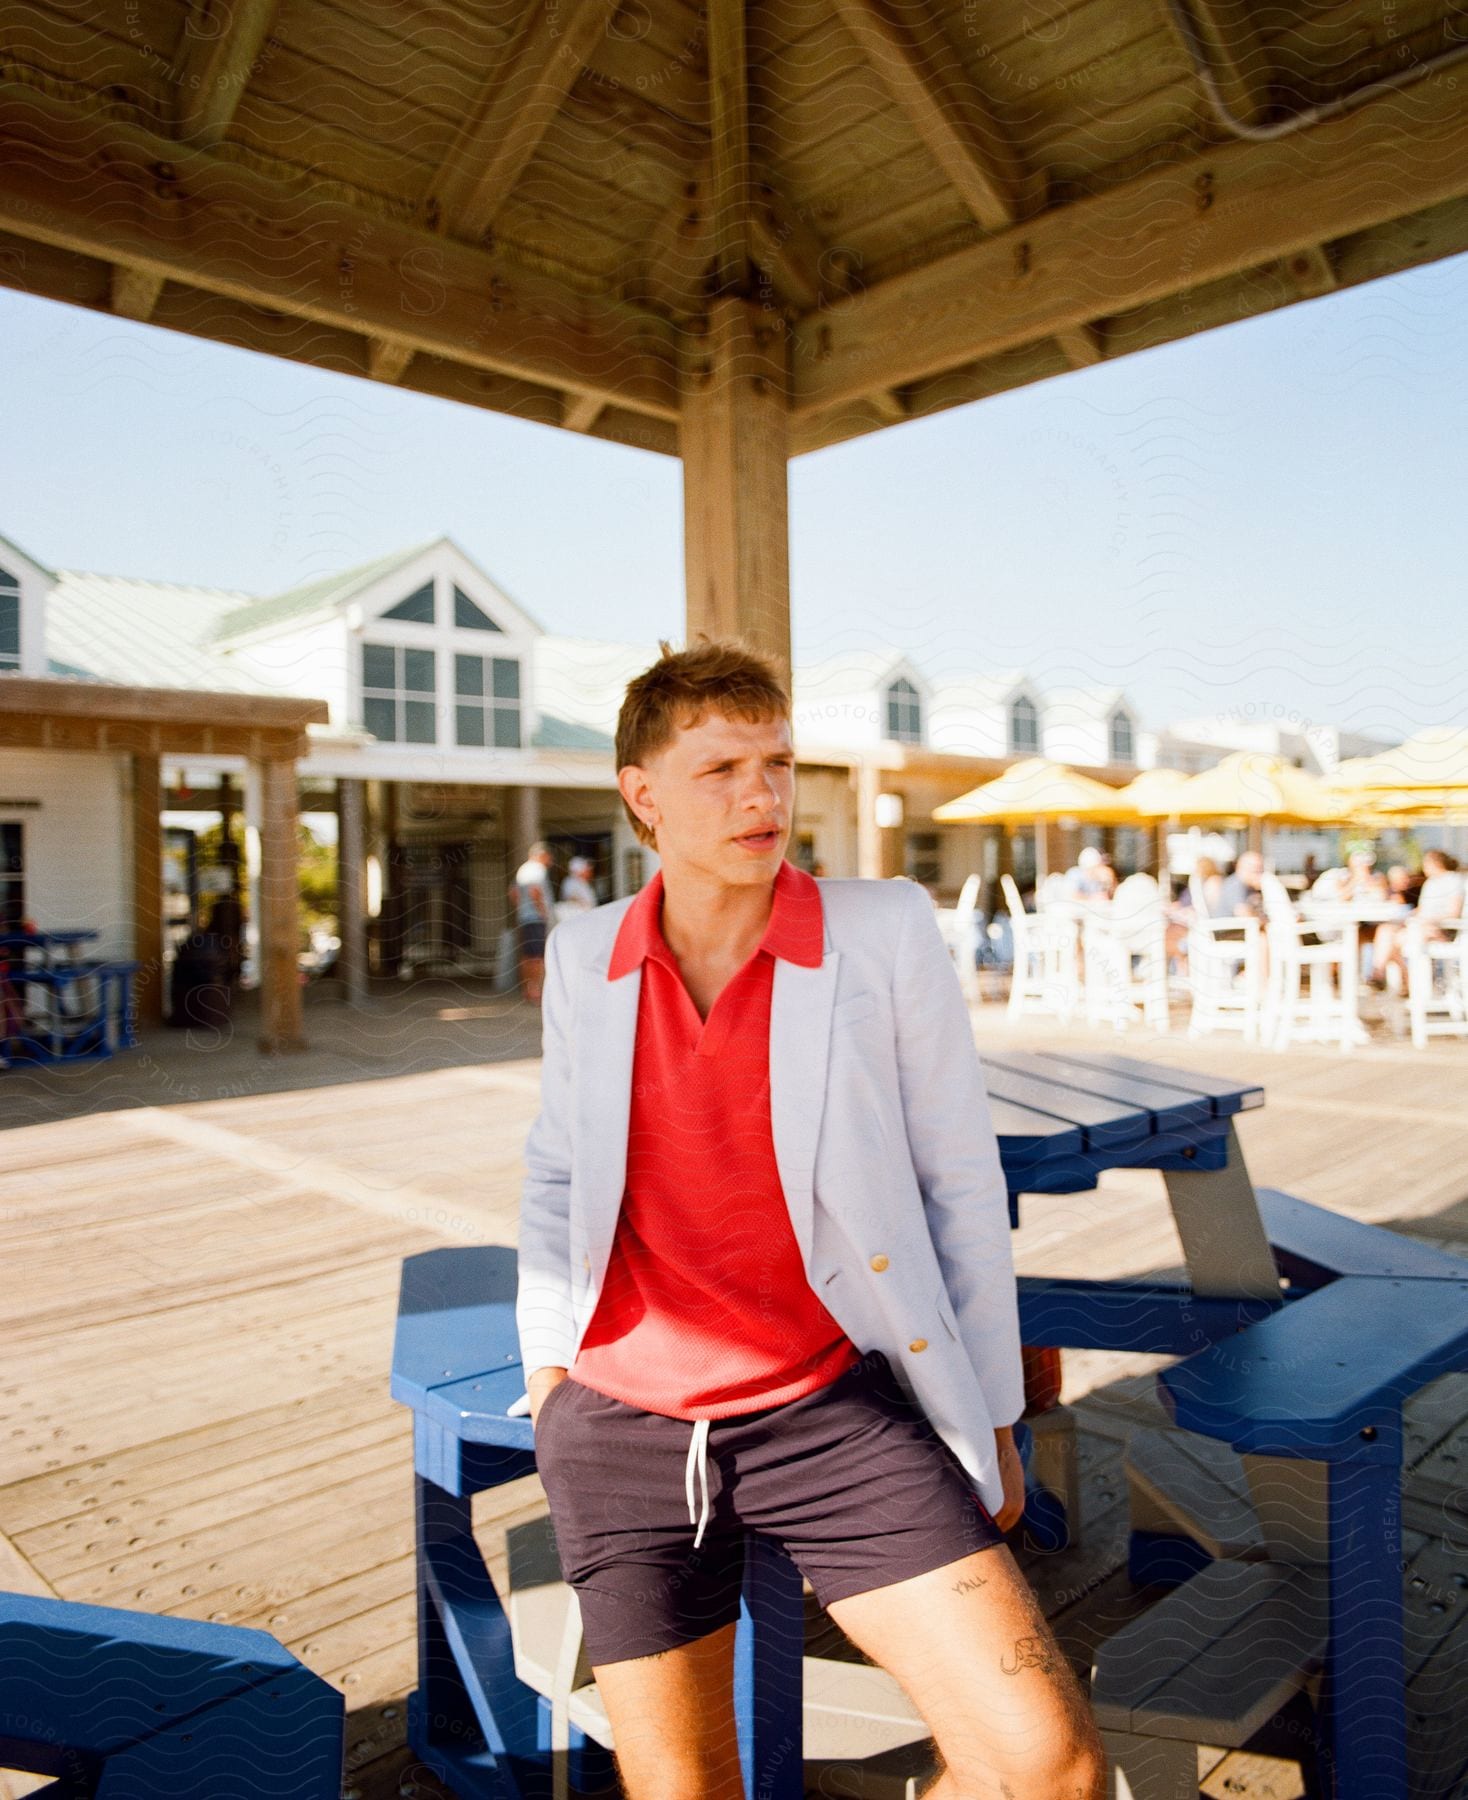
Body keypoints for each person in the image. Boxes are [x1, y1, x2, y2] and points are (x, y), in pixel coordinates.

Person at [516, 636, 1105, 1800]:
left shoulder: (878, 930)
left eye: (777, 763)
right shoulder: (586, 955)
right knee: (685, 1787)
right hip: (622, 1431)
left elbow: (958, 1185)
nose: (761, 794)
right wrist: (547, 1372)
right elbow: (552, 1177)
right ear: (641, 795)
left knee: (1044, 1762)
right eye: (721, 768)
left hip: (831, 1408)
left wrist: (988, 1417)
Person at [1370, 849, 1465, 992]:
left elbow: (1453, 912)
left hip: (1441, 930)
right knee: (1386, 931)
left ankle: (1410, 984)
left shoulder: (1454, 880)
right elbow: (1422, 909)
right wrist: (1407, 917)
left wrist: (1427, 920)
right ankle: (1379, 974)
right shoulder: (1431, 882)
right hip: (1420, 927)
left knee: (1392, 941)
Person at [509, 841, 554, 1004]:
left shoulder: (523, 869)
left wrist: (522, 907)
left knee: (527, 955)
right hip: (535, 918)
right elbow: (534, 891)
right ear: (542, 855)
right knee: (537, 956)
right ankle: (536, 990)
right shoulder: (537, 869)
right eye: (548, 856)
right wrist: (542, 911)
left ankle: (528, 989)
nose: (550, 860)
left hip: (525, 917)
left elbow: (513, 892)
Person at [1215, 849, 1265, 919]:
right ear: (1244, 868)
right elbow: (1242, 913)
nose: (1260, 875)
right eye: (1257, 870)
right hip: (1229, 928)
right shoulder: (1234, 885)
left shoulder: (1250, 887)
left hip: (1242, 927)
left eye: (1261, 870)